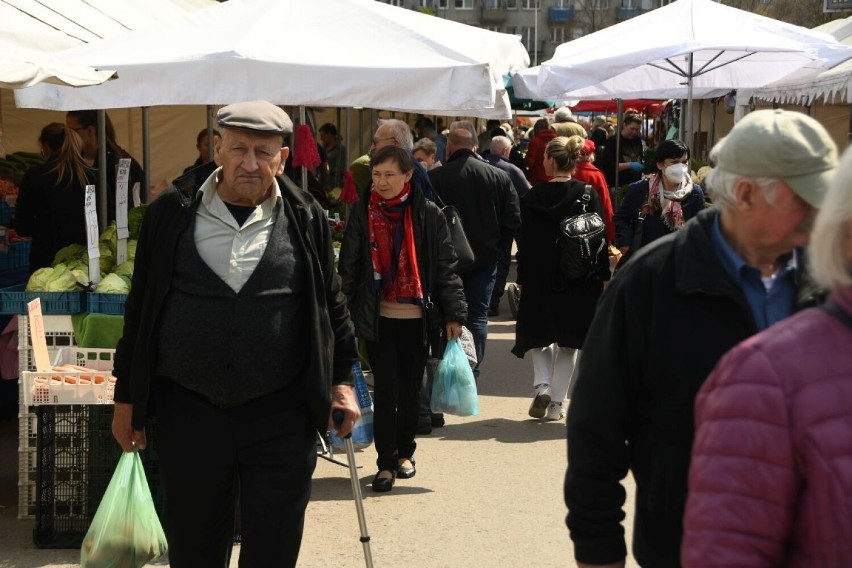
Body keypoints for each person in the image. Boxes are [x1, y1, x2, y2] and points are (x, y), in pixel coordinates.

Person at [564, 109, 838, 568]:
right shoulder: (651, 282)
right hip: (688, 546)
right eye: (806, 200)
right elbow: (597, 428)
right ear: (747, 194)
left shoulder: (832, 281)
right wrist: (598, 551)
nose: (819, 215)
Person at [111, 101, 360, 567]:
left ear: (283, 157)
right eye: (240, 148)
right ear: (217, 148)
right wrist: (128, 399)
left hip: (281, 414)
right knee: (195, 548)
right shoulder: (171, 211)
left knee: (273, 550)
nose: (250, 163)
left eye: (264, 152)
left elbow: (332, 306)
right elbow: (140, 310)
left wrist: (342, 383)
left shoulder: (306, 216)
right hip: (190, 412)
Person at [681, 145, 852, 567]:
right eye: (800, 200)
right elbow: (601, 417)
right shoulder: (765, 373)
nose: (809, 214)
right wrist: (599, 546)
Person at [338, 145, 466, 492]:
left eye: (389, 175)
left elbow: (445, 268)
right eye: (377, 175)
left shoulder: (428, 214)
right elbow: (347, 269)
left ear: (408, 175)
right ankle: (385, 462)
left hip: (417, 317)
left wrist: (454, 313)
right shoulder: (362, 215)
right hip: (377, 318)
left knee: (410, 390)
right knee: (386, 389)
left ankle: (406, 453)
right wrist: (342, 316)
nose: (381, 182)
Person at [511, 136, 609, 422]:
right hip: (580, 278)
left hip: (540, 277)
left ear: (551, 161)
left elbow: (524, 243)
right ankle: (556, 404)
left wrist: (523, 277)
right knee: (569, 343)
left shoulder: (532, 197)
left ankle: (541, 385)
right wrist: (602, 276)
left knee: (539, 336)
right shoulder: (588, 194)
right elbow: (600, 238)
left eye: (543, 157)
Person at [428, 128, 521, 375]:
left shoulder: (435, 177)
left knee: (444, 312)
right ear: (475, 147)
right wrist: (499, 249)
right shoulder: (498, 176)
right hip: (485, 257)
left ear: (448, 147)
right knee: (478, 314)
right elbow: (513, 218)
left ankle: (445, 366)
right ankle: (472, 368)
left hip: (445, 260)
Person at [14, 123, 95, 273]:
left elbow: (22, 225)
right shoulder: (91, 176)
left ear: (45, 146)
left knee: (44, 295)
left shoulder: (36, 176)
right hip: (85, 261)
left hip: (45, 260)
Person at [613, 139, 705, 266]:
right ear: (660, 164)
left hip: (679, 262)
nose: (681, 167)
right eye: (674, 162)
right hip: (645, 261)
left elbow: (700, 227)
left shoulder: (694, 193)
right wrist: (625, 244)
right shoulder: (640, 189)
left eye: (684, 162)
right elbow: (621, 218)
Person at [65, 110, 145, 223]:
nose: (67, 137)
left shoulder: (119, 163)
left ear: (90, 131)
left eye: (72, 131)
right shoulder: (71, 161)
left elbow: (127, 211)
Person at [486, 135, 531, 317]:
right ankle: (492, 302)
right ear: (506, 151)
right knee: (501, 261)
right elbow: (529, 194)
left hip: (481, 223)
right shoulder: (511, 170)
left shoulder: (479, 165)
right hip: (504, 225)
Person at [572, 137, 615, 244]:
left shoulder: (566, 171)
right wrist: (610, 234)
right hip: (592, 230)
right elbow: (605, 205)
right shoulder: (595, 175)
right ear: (591, 155)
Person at [599, 113, 645, 190]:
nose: (634, 132)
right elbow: (609, 166)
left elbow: (640, 156)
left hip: (635, 184)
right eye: (632, 129)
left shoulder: (637, 140)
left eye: (637, 130)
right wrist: (629, 165)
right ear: (624, 125)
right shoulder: (613, 141)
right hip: (617, 185)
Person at [525, 118, 556, 185]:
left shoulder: (535, 141)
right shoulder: (556, 140)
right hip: (554, 176)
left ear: (536, 129)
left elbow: (529, 162)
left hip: (537, 178)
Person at [318, 122, 348, 190]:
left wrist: (325, 168)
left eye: (322, 135)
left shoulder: (340, 150)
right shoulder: (323, 149)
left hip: (335, 187)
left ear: (329, 134)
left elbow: (341, 169)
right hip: (324, 186)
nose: (321, 138)